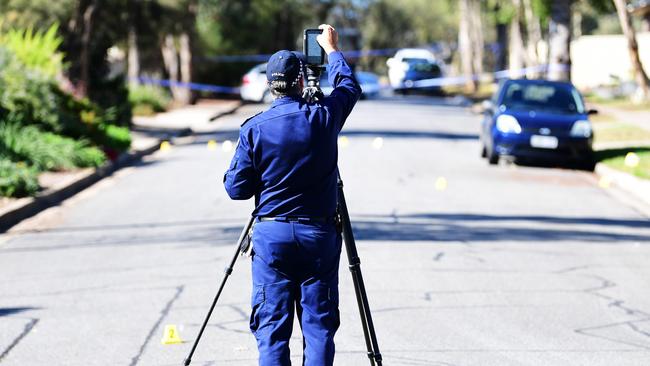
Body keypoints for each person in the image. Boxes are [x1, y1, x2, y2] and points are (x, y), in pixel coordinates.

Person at [223, 24, 361, 366]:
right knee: (318, 327)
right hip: (319, 236)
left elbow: (236, 189)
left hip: (272, 237)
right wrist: (331, 51)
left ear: (271, 86)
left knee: (272, 329)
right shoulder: (324, 117)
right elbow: (349, 87)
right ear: (301, 81)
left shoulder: (254, 128)